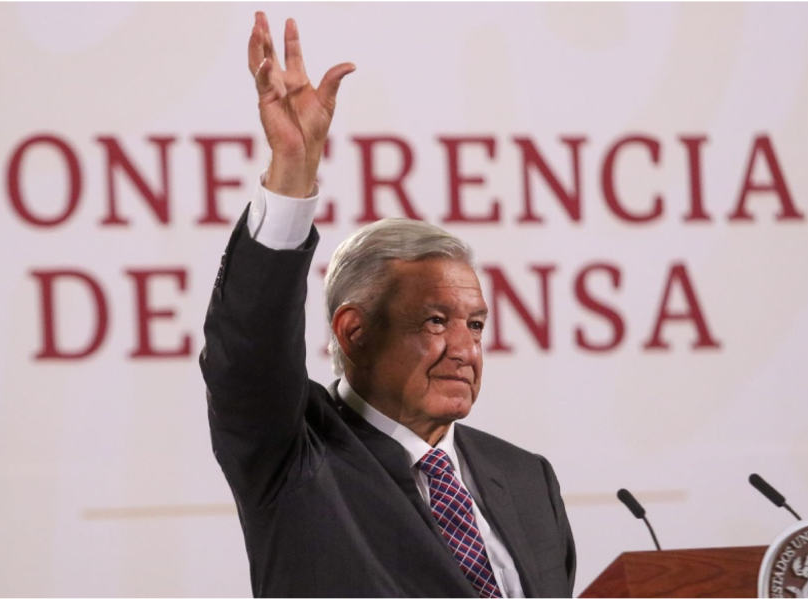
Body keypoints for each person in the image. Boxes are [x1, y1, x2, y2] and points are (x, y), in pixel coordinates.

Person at [200, 12, 576, 598]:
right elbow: (248, 350)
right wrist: (292, 174)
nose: (465, 349)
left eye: (476, 325)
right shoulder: (294, 452)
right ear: (354, 331)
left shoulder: (527, 479)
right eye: (436, 321)